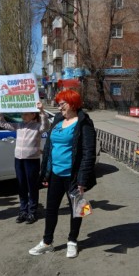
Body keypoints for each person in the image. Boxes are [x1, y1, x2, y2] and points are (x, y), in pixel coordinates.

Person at [28, 89, 96, 258]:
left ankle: (72, 241)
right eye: (58, 105)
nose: (59, 108)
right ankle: (47, 242)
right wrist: (46, 173)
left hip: (73, 176)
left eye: (62, 104)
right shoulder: (58, 120)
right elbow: (51, 147)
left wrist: (82, 180)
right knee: (51, 209)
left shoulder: (83, 123)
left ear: (72, 103)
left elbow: (89, 153)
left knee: (78, 209)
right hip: (56, 174)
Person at [0, 101, 50, 224]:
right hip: (18, 159)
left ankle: (32, 212)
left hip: (32, 161)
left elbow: (46, 126)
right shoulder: (19, 125)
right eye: (22, 114)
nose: (23, 116)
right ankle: (23, 211)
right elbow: (3, 124)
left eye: (25, 114)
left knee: (32, 186)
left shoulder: (37, 126)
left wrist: (41, 111)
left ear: (33, 115)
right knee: (21, 186)